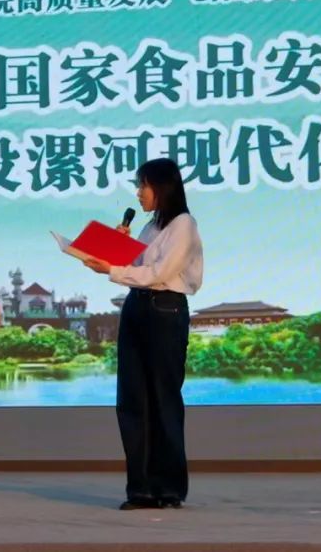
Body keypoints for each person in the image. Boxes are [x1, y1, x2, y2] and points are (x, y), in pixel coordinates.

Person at [82, 158, 204, 510]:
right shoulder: (150, 227)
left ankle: (169, 488)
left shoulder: (183, 224)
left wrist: (113, 268)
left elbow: (160, 272)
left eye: (143, 186)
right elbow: (135, 269)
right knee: (132, 400)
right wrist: (115, 250)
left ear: (162, 188)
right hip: (136, 307)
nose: (138, 193)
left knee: (163, 399)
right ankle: (141, 488)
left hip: (165, 309)